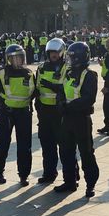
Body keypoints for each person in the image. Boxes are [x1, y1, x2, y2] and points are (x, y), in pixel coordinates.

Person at [54, 41, 99, 198]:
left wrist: (69, 106)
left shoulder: (90, 75)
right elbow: (61, 90)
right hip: (67, 118)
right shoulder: (68, 73)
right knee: (66, 151)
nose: (69, 60)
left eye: (72, 57)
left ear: (80, 58)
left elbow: (88, 98)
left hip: (81, 119)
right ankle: (69, 181)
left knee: (86, 153)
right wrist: (59, 102)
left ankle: (90, 185)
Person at [0, 44, 35, 187]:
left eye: (20, 58)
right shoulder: (1, 73)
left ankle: (23, 175)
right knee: (3, 143)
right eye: (14, 58)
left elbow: (34, 92)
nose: (17, 61)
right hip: (6, 113)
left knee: (24, 146)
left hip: (24, 113)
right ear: (8, 59)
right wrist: (0, 104)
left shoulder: (29, 73)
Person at [35, 38, 67, 184]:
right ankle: (49, 173)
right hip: (44, 111)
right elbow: (36, 87)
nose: (53, 55)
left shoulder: (67, 67)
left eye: (55, 52)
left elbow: (66, 88)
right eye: (51, 52)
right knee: (47, 145)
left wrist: (50, 85)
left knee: (65, 146)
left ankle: (71, 175)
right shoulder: (41, 67)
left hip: (59, 110)